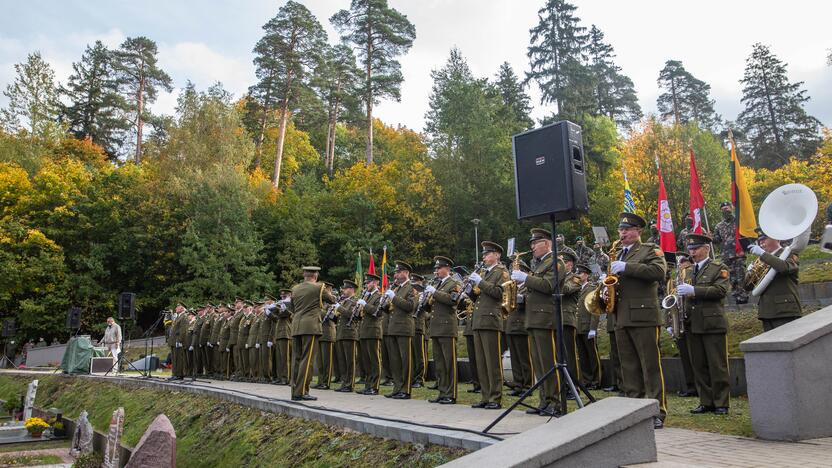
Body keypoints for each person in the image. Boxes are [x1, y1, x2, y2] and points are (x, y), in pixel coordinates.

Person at [610, 212, 668, 429]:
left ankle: (656, 412)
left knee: (649, 365)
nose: (623, 233)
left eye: (627, 229)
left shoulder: (649, 250)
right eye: (621, 229)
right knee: (629, 366)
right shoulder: (617, 253)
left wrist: (627, 267)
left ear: (638, 231)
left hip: (643, 315)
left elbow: (659, 272)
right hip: (621, 315)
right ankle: (633, 410)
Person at [511, 228, 565, 417]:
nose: (532, 246)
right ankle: (544, 400)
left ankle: (555, 401)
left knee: (549, 361)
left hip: (545, 318)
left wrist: (526, 278)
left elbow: (548, 286)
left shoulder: (556, 262)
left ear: (547, 243)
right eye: (531, 243)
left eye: (535, 243)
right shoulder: (540, 264)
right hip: (533, 318)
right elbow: (534, 288)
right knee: (539, 363)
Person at [676, 234, 731, 415]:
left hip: (712, 322)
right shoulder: (689, 270)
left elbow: (720, 290)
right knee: (698, 365)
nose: (692, 252)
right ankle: (706, 401)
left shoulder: (718, 267)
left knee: (717, 364)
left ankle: (721, 402)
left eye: (696, 248)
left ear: (706, 249)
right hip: (693, 323)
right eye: (690, 249)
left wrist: (694, 291)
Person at [468, 241, 508, 410]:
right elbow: (478, 298)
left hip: (491, 320)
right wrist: (470, 288)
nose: (484, 257)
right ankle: (485, 396)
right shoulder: (484, 273)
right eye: (483, 254)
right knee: (481, 362)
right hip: (479, 320)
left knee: (492, 361)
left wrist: (480, 282)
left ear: (497, 255)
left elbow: (499, 293)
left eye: (487, 254)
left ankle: (495, 397)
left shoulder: (502, 272)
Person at [290, 266, 337, 401]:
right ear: (315, 275)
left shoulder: (295, 288)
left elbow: (293, 308)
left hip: (296, 326)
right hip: (310, 327)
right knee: (307, 360)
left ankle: (295, 391)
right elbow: (332, 300)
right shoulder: (319, 287)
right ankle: (302, 392)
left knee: (297, 360)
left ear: (304, 274)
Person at [746, 229, 802, 331]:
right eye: (760, 240)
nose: (761, 243)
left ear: (777, 239)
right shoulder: (761, 260)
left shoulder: (789, 253)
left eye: (764, 239)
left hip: (785, 310)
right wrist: (749, 272)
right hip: (766, 311)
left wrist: (763, 254)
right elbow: (747, 286)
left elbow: (784, 268)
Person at [424, 256, 461, 404]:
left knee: (449, 363)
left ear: (447, 269)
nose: (436, 271)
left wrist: (435, 293)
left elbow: (453, 300)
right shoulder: (438, 284)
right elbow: (429, 307)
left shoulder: (454, 283)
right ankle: (442, 392)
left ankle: (451, 394)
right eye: (436, 269)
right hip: (436, 328)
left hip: (447, 327)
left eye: (439, 268)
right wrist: (426, 299)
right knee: (440, 363)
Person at [384, 261, 418, 399]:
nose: (396, 275)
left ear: (406, 273)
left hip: (404, 328)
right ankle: (397, 388)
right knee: (395, 361)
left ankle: (406, 389)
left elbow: (410, 306)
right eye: (396, 273)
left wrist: (394, 298)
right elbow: (390, 310)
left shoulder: (412, 288)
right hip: (393, 328)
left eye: (398, 272)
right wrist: (385, 303)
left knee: (405, 361)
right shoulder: (397, 289)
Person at [667, 253, 698, 397]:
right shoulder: (674, 280)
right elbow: (669, 301)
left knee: (695, 357)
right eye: (680, 263)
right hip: (678, 321)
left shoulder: (694, 274)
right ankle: (690, 386)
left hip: (691, 319)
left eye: (685, 262)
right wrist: (669, 323)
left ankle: (699, 386)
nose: (682, 265)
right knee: (685, 357)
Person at [713, 201, 749, 304]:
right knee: (731, 277)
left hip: (738, 254)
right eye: (723, 210)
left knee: (741, 275)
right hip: (726, 256)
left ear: (731, 209)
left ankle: (744, 296)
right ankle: (736, 296)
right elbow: (717, 239)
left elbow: (746, 235)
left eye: (727, 209)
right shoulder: (719, 226)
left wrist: (745, 249)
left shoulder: (739, 221)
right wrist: (711, 238)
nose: (726, 211)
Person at [506, 259, 533, 396]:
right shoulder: (512, 286)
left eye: (517, 271)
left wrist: (522, 298)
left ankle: (528, 385)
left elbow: (531, 301)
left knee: (524, 358)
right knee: (515, 358)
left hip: (522, 324)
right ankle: (518, 384)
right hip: (511, 324)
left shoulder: (528, 286)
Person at [559, 250, 583, 395]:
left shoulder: (575, 278)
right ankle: (563, 384)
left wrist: (557, 276)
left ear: (569, 264)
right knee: (559, 356)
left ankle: (574, 387)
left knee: (570, 356)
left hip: (567, 319)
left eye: (562, 263)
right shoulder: (561, 277)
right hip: (555, 319)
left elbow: (566, 290)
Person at [576, 265, 602, 389]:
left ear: (586, 275)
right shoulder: (576, 289)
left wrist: (593, 328)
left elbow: (595, 309)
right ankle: (586, 380)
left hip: (587, 326)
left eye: (580, 273)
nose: (578, 275)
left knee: (592, 355)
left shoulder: (592, 288)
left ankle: (596, 380)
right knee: (582, 356)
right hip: (578, 327)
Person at [357, 274, 383, 394]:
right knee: (366, 361)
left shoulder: (379, 296)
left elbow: (377, 312)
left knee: (374, 360)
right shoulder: (366, 296)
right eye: (366, 283)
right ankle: (368, 385)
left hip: (373, 331)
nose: (366, 285)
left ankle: (374, 386)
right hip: (364, 331)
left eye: (369, 283)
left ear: (375, 283)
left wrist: (365, 305)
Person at [334, 280, 360, 392]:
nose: (343, 291)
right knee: (342, 361)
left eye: (345, 289)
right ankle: (344, 383)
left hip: (349, 333)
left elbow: (351, 315)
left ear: (351, 289)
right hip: (341, 334)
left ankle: (350, 384)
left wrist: (338, 307)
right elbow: (338, 319)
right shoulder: (344, 302)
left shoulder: (355, 301)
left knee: (350, 361)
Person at [315, 283, 339, 389]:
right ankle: (320, 381)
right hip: (320, 333)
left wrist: (320, 312)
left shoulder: (333, 301)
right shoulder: (321, 303)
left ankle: (326, 382)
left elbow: (334, 317)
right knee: (320, 361)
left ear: (328, 290)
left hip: (328, 333)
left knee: (327, 361)